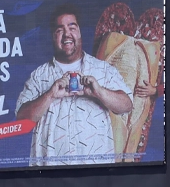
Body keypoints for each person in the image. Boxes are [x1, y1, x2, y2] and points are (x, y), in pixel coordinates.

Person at [16, 8, 134, 166]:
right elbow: (22, 120)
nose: (67, 34)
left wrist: (99, 92)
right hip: (50, 172)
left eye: (72, 27)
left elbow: (127, 105)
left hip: (94, 172)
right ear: (53, 36)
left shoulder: (103, 69)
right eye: (60, 30)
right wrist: (50, 95)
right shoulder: (39, 76)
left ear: (79, 32)